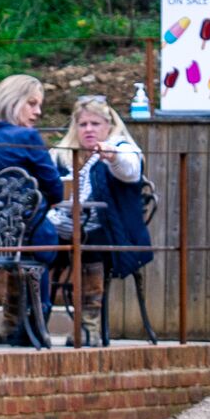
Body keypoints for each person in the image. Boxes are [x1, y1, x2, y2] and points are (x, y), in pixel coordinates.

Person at [0, 74, 74, 249]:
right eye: (32, 103)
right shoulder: (27, 136)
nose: (38, 112)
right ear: (12, 101)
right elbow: (55, 190)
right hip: (25, 235)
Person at [65, 94, 154, 287]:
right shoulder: (67, 157)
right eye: (83, 124)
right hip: (73, 228)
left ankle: (91, 314)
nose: (88, 129)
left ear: (109, 125)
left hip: (119, 238)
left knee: (88, 238)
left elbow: (130, 168)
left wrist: (113, 157)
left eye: (95, 124)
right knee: (38, 237)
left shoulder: (122, 148)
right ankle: (29, 312)